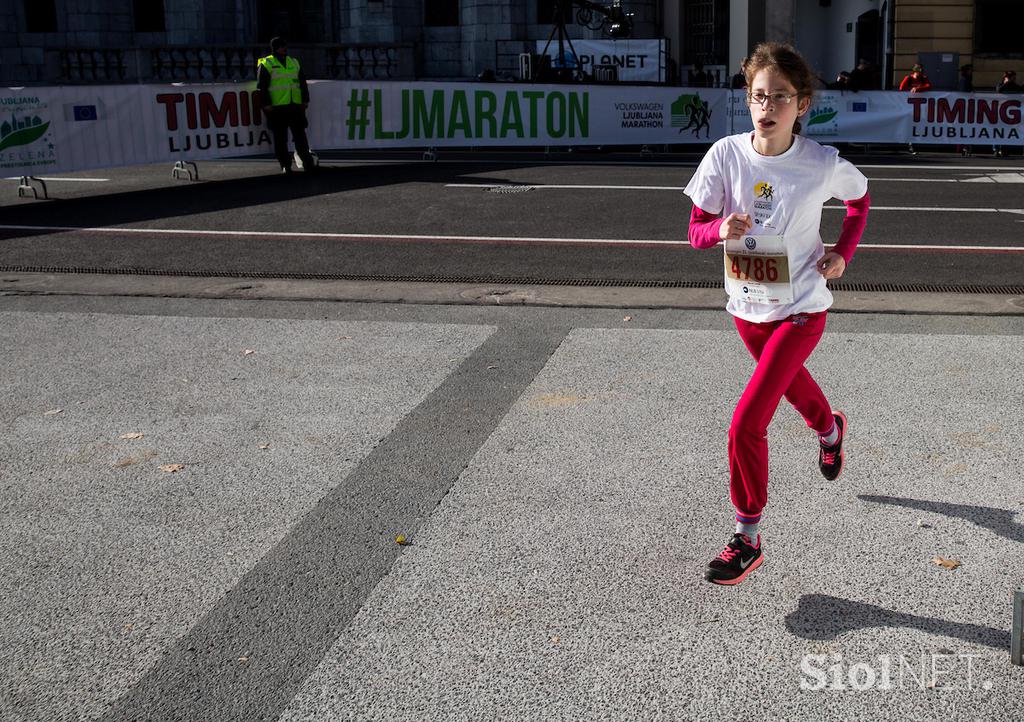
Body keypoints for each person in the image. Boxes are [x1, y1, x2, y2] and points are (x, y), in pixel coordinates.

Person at [683, 43, 870, 585]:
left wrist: (842, 253)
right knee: (793, 389)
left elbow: (860, 201)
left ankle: (747, 538)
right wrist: (719, 230)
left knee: (746, 423)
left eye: (780, 98)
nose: (767, 107)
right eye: (759, 96)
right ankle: (830, 429)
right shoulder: (724, 155)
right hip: (747, 309)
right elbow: (696, 231)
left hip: (803, 309)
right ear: (748, 99)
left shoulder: (821, 164)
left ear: (802, 103)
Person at [256, 37, 316, 174]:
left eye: (285, 46)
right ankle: (286, 165)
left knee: (300, 136)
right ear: (275, 48)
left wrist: (305, 100)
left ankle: (308, 163)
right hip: (277, 107)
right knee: (281, 139)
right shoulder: (266, 63)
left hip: (295, 105)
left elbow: (302, 82)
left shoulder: (293, 62)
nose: (285, 48)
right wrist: (266, 104)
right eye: (282, 46)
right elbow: (262, 87)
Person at [993, 70, 1021, 157]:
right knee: (998, 131)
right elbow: (999, 91)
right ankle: (996, 149)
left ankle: (1004, 149)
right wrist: (1006, 83)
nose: (1013, 78)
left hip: (1010, 113)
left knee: (1008, 131)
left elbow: (1020, 90)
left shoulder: (1014, 86)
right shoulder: (1000, 85)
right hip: (1000, 112)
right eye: (1011, 77)